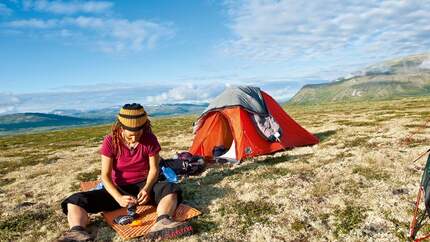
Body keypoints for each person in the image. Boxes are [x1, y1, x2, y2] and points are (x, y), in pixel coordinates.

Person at [57, 103, 192, 241]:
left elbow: (154, 169)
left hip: (143, 187)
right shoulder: (110, 141)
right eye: (130, 136)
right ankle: (77, 233)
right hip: (118, 189)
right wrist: (118, 197)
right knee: (75, 200)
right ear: (120, 127)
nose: (134, 139)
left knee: (170, 189)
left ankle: (163, 222)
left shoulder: (150, 139)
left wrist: (147, 188)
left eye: (138, 134)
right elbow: (105, 176)